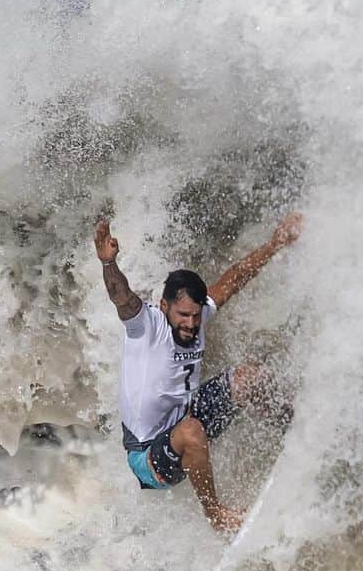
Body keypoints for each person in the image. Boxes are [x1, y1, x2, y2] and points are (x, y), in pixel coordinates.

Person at [94, 213, 303, 533]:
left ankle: (293, 430)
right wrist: (109, 264)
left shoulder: (196, 316)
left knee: (249, 378)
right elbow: (121, 296)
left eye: (194, 315)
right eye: (182, 317)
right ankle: (216, 515)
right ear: (165, 309)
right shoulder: (144, 326)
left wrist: (276, 244)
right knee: (190, 431)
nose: (190, 324)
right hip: (148, 455)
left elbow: (235, 277)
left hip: (183, 421)